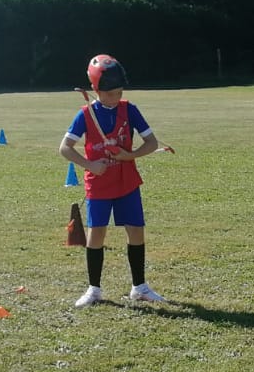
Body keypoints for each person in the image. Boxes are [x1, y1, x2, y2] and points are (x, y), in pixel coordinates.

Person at [58, 54, 171, 307]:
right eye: (110, 94)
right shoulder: (85, 114)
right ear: (96, 89)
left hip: (127, 181)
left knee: (136, 231)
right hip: (98, 185)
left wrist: (129, 155)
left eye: (119, 92)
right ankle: (94, 290)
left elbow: (151, 142)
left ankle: (139, 287)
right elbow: (65, 148)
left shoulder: (129, 110)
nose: (116, 98)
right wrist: (90, 165)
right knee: (96, 233)